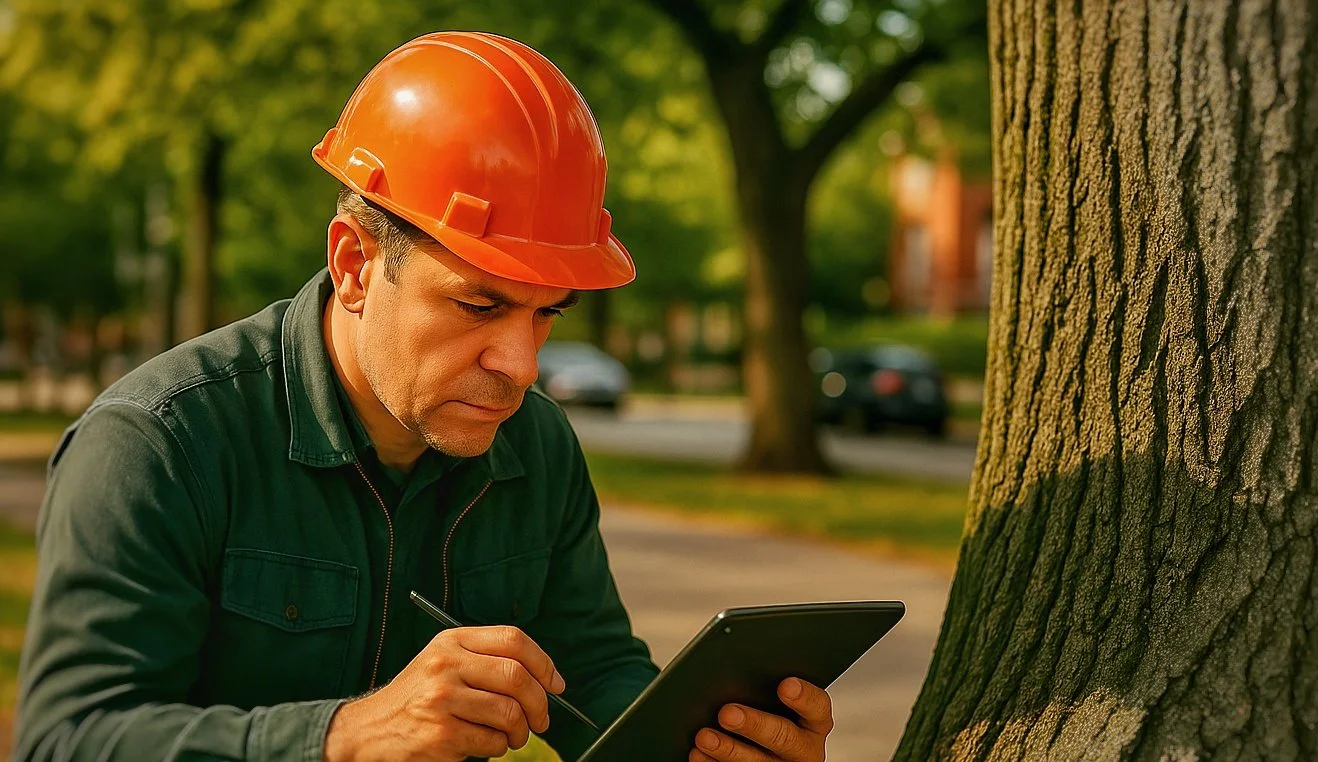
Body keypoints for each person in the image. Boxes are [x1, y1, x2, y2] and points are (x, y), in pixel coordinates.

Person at [14, 31, 835, 762]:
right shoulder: (157, 444)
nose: (519, 365)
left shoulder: (536, 446)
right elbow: (71, 737)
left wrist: (709, 741)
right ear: (355, 264)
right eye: (479, 305)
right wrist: (344, 737)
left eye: (546, 312)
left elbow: (592, 677)